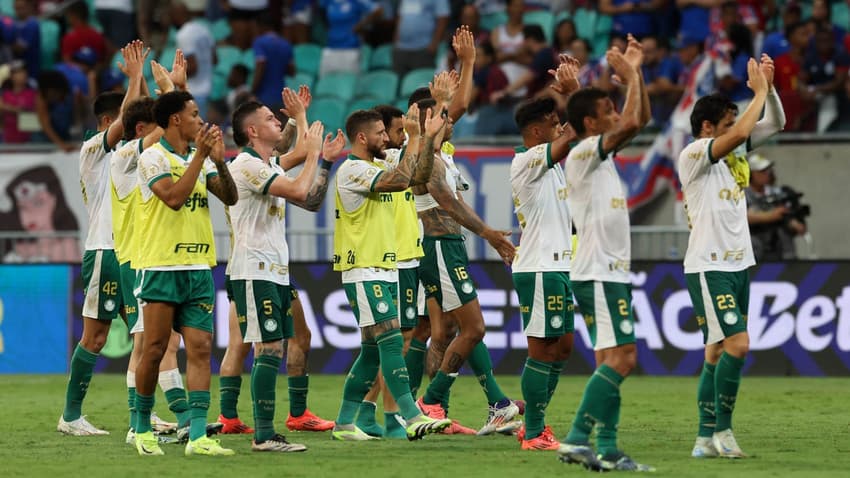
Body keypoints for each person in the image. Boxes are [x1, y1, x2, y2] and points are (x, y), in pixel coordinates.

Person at [677, 54, 784, 459]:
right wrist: (757, 92)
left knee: (717, 350)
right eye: (727, 121)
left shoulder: (733, 151)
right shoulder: (695, 155)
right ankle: (722, 431)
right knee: (737, 344)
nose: (737, 127)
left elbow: (775, 123)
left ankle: (705, 440)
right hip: (709, 265)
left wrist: (768, 92)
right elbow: (740, 134)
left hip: (739, 263)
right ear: (707, 128)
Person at [217, 86, 338, 436]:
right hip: (253, 268)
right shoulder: (247, 166)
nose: (277, 120)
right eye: (271, 118)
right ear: (252, 131)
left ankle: (283, 418)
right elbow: (301, 190)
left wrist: (300, 117)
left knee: (283, 340)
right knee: (265, 347)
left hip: (272, 269)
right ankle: (264, 433)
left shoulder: (266, 163)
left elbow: (297, 151)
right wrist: (315, 153)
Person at [557, 37, 653, 471]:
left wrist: (638, 75)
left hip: (607, 270)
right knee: (623, 359)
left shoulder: (601, 155)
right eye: (607, 112)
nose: (616, 115)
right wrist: (631, 75)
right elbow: (632, 123)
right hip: (597, 270)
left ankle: (608, 448)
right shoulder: (582, 153)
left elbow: (640, 118)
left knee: (609, 360)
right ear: (591, 123)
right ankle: (577, 438)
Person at [330, 106, 451, 441]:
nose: (387, 138)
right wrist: (413, 137)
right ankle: (411, 415)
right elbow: (399, 181)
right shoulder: (352, 170)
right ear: (362, 137)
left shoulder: (377, 164)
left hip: (383, 267)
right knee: (392, 340)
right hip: (363, 268)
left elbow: (417, 176)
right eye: (381, 133)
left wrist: (423, 138)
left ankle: (343, 423)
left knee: (371, 352)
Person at [131, 89, 238, 456]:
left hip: (198, 267)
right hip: (161, 265)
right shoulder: (152, 158)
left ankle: (196, 436)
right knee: (156, 347)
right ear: (176, 119)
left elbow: (230, 197)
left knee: (200, 348)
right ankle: (142, 428)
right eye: (194, 114)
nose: (201, 120)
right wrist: (203, 158)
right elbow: (174, 198)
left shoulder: (200, 157)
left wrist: (220, 162)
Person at [113, 53, 201, 445]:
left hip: (155, 255)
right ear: (142, 130)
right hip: (142, 257)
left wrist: (174, 90)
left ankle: (166, 419)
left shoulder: (158, 153)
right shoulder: (129, 155)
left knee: (158, 344)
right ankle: (145, 423)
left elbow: (175, 126)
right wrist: (169, 89)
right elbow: (167, 128)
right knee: (151, 345)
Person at [58, 40, 144, 437]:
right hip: (104, 251)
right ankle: (71, 416)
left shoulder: (130, 156)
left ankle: (143, 416)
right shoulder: (94, 149)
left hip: (132, 254)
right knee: (94, 335)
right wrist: (136, 78)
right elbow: (129, 120)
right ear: (109, 120)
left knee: (149, 335)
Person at [509, 58, 580, 451]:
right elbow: (575, 133)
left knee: (563, 347)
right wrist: (573, 92)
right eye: (555, 124)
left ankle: (535, 421)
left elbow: (575, 133)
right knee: (543, 348)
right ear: (538, 132)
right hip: (539, 268)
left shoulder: (550, 166)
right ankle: (534, 432)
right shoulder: (528, 160)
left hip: (557, 266)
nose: (561, 128)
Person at [745, 154, 807, 261]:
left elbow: (800, 226)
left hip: (783, 253)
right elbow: (742, 218)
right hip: (755, 254)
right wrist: (771, 216)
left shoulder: (779, 192)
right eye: (761, 171)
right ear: (751, 174)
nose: (766, 174)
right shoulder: (742, 194)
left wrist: (793, 222)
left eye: (768, 170)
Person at [172, 0, 214, 116]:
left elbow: (193, 67)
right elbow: (215, 59)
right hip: (208, 88)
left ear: (177, 15)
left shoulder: (184, 34)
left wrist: (173, 78)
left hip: (193, 92)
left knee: (196, 132)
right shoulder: (203, 29)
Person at [251, 15, 293, 113]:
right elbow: (291, 71)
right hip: (280, 95)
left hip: (264, 95)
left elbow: (261, 65)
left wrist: (253, 90)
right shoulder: (286, 44)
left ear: (261, 26)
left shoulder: (259, 42)